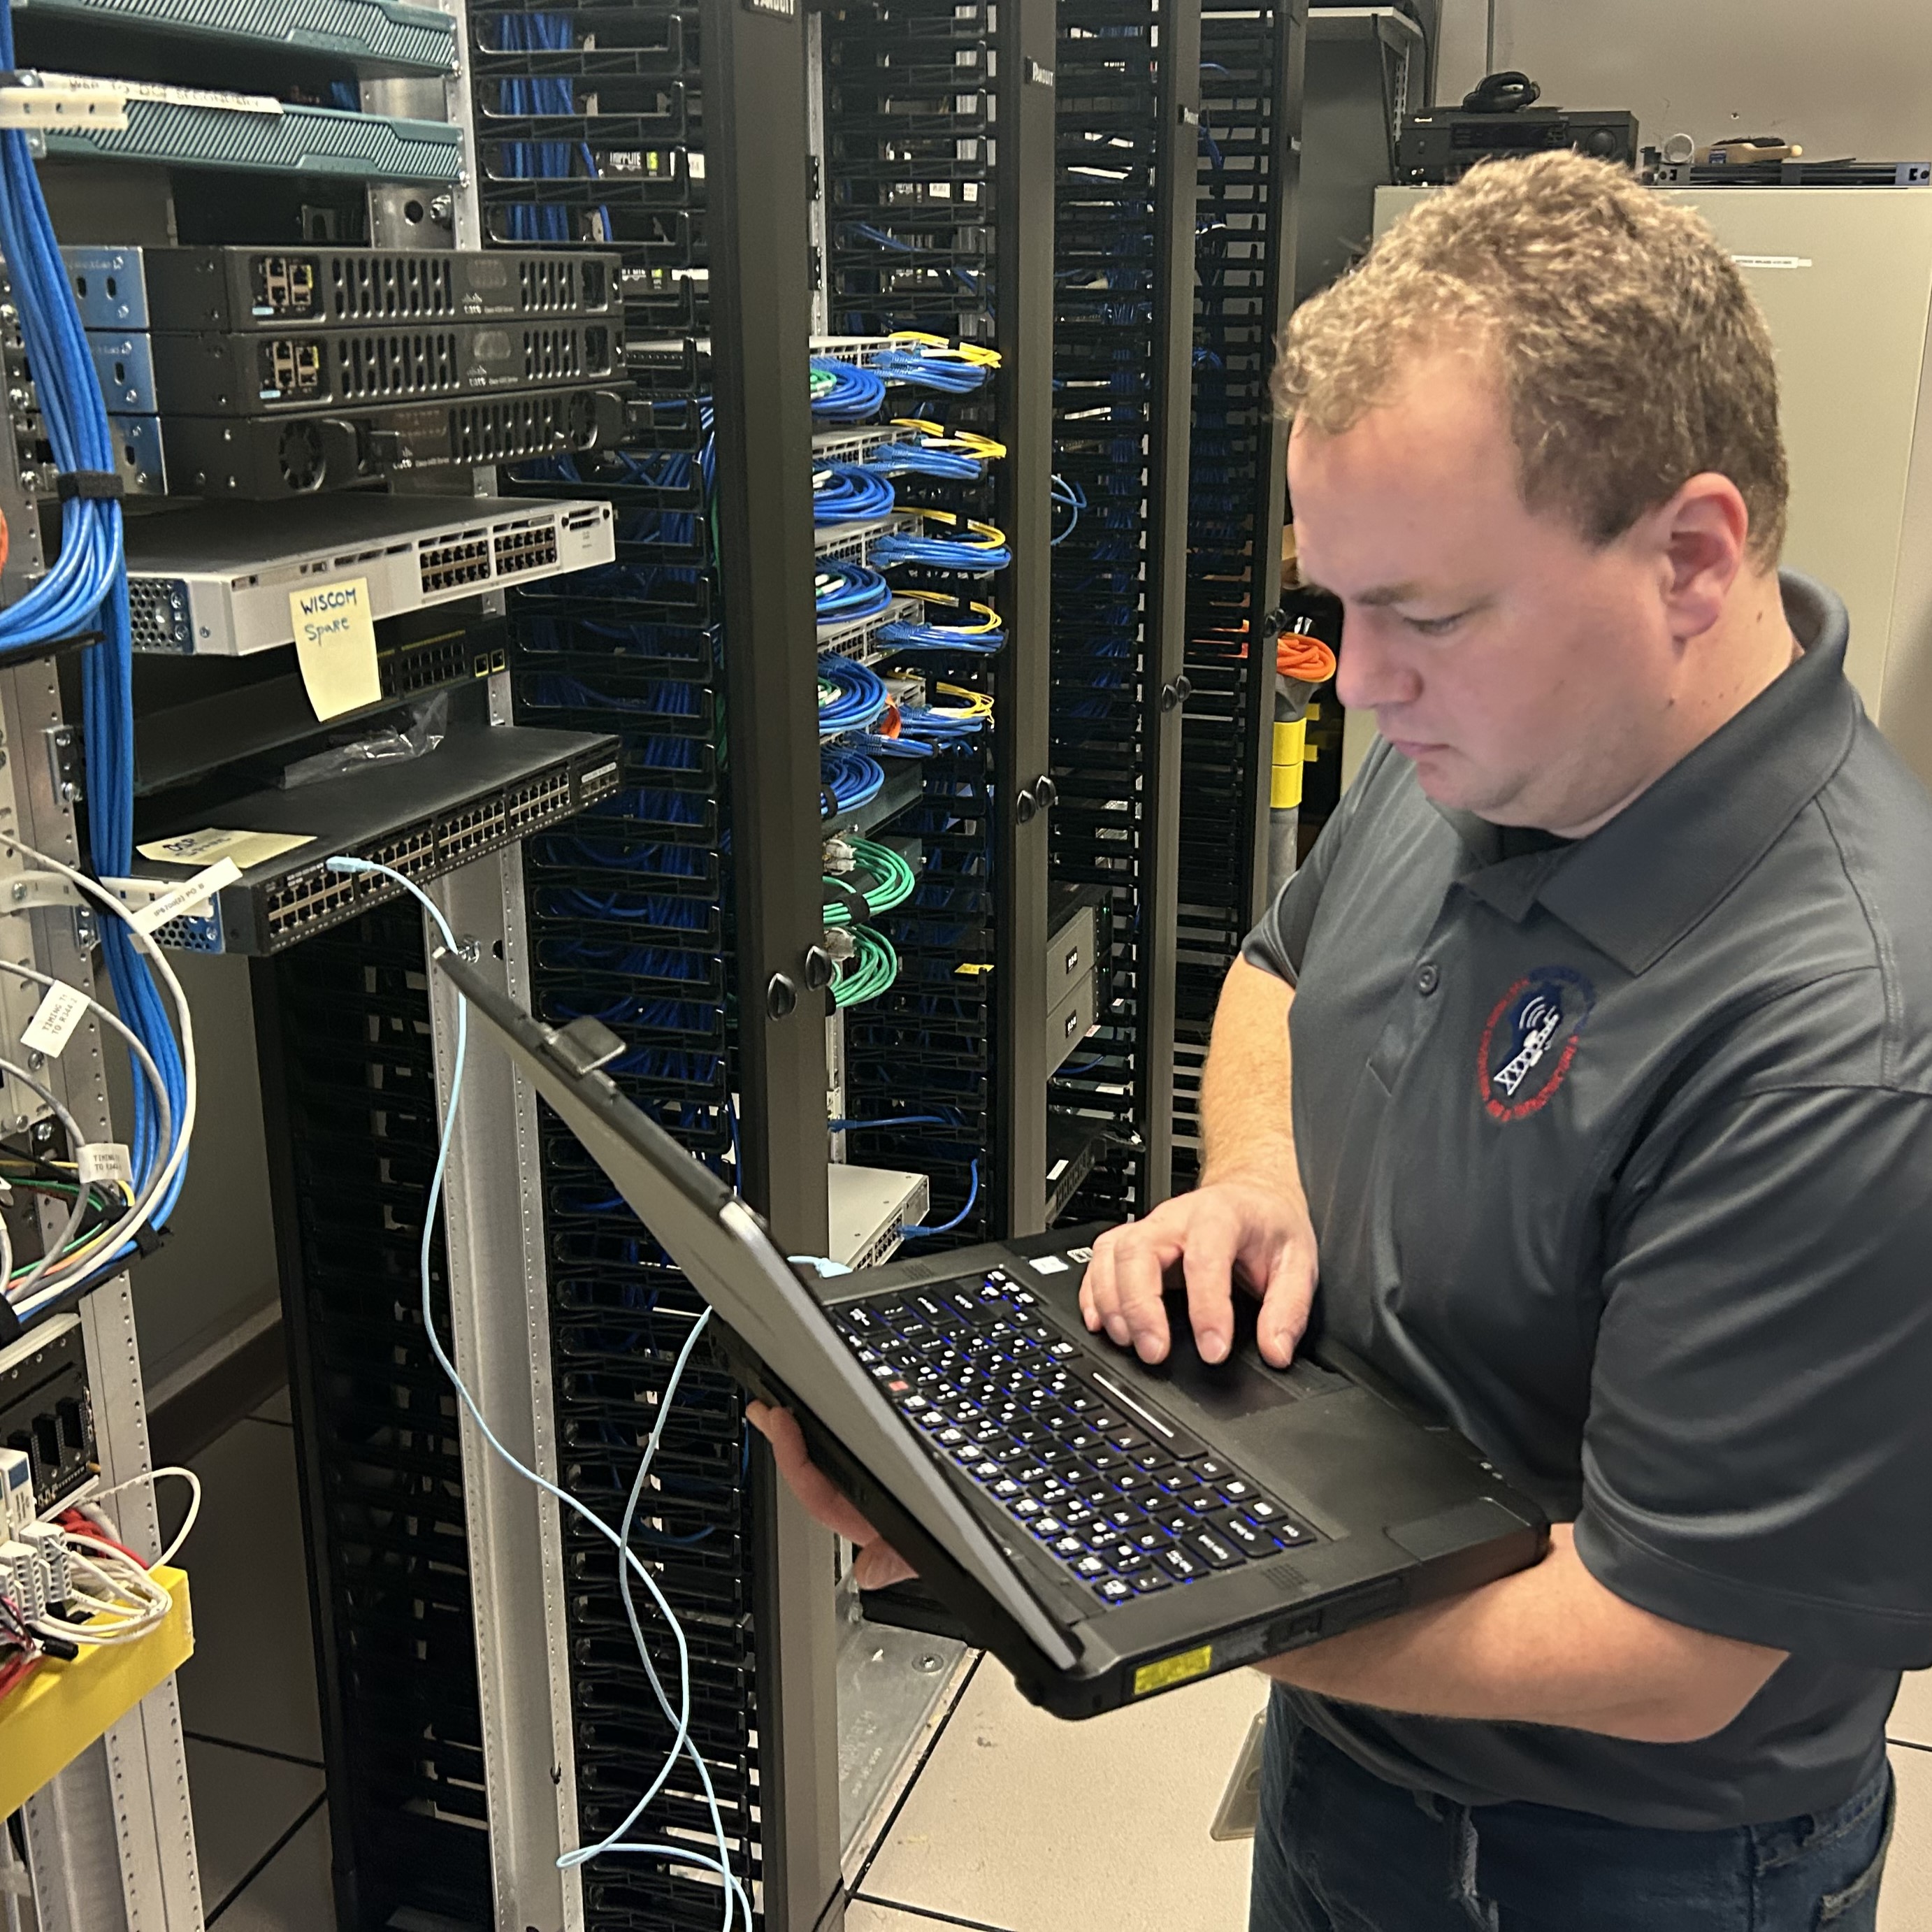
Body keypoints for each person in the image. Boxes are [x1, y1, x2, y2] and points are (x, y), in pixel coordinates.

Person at [753, 152, 1932, 1929]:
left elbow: (1667, 1645)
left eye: (1422, 616)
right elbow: (1281, 973)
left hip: (1613, 1864)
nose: (1350, 680)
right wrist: (1262, 1176)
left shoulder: (1845, 1043)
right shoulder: (1500, 732)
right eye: (1338, 604)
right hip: (1359, 1743)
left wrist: (1083, 1564)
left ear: (1689, 555)